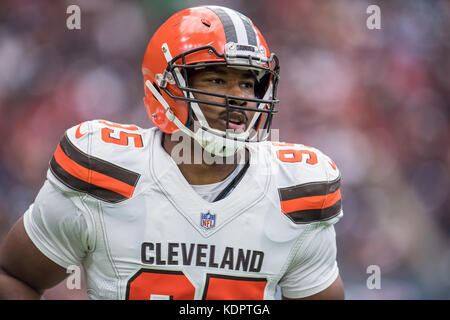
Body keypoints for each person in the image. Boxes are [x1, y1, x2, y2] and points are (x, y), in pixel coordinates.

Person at [0, 5, 345, 300]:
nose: (239, 96)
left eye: (247, 82)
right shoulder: (103, 170)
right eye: (216, 80)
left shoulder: (297, 191)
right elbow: (16, 277)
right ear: (165, 87)